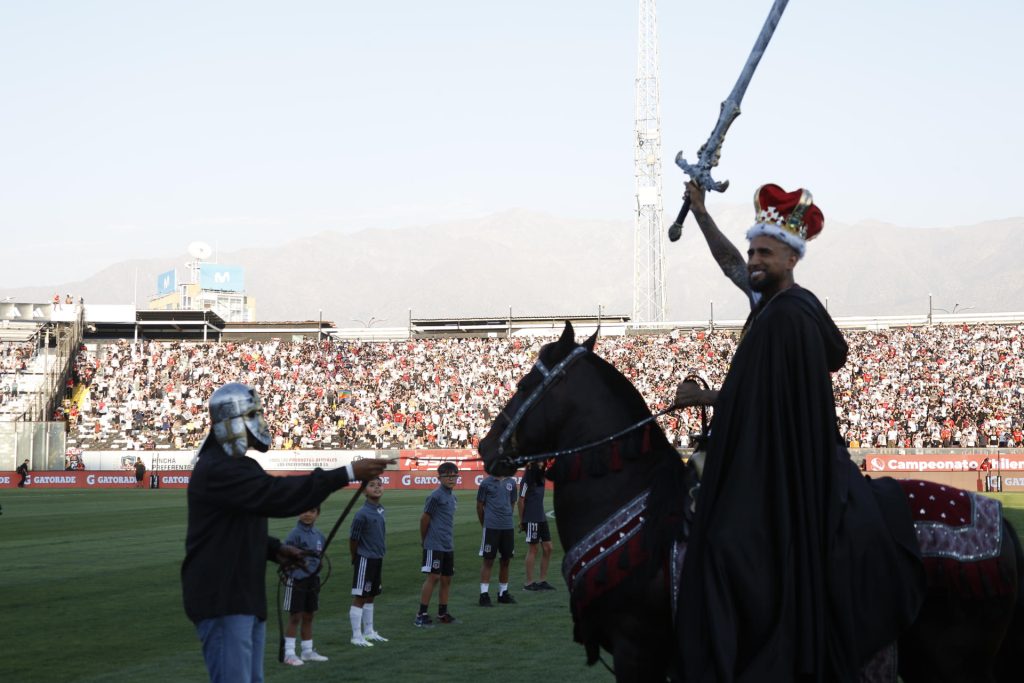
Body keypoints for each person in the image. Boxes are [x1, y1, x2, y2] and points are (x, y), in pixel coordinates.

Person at [672, 183, 925, 681]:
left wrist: (704, 399)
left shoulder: (788, 317)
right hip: (773, 449)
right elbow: (730, 263)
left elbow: (764, 402)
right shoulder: (773, 304)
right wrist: (700, 214)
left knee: (725, 540)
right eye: (753, 251)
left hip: (793, 463)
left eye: (764, 252)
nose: (753, 260)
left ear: (791, 256)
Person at [181, 382, 390, 683]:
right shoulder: (221, 468)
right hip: (223, 595)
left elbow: (234, 528)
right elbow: (276, 496)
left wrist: (275, 550)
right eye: (252, 414)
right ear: (232, 421)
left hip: (238, 594)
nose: (259, 422)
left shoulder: (238, 465)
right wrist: (346, 473)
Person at [281, 506, 328, 666]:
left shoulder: (319, 535)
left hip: (312, 581)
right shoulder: (294, 534)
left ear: (318, 514)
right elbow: (283, 556)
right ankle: (289, 653)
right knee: (295, 616)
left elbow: (319, 557)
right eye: (304, 510)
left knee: (309, 615)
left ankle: (307, 651)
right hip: (297, 580)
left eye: (312, 511)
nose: (308, 514)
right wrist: (289, 572)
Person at [415, 462, 459, 627]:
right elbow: (424, 518)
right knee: (433, 577)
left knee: (447, 579)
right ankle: (421, 614)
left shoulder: (452, 497)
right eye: (447, 475)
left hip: (447, 544)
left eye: (454, 475)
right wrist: (424, 539)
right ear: (439, 477)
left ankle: (442, 612)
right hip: (434, 543)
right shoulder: (435, 496)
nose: (451, 478)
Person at [348, 476, 388, 646]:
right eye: (372, 485)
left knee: (371, 596)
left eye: (379, 485)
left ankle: (369, 631)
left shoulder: (380, 509)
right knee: (361, 596)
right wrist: (355, 557)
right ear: (364, 490)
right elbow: (353, 538)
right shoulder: (362, 514)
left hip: (377, 557)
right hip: (365, 558)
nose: (377, 488)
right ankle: (356, 636)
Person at [477, 472, 518, 606]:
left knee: (506, 560)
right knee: (488, 560)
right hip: (491, 527)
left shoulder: (511, 482)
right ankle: (484, 595)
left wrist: (506, 518)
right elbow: (479, 505)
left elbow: (512, 503)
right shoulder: (485, 483)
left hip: (507, 527)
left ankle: (503, 593)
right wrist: (485, 523)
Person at [518, 462, 554, 591]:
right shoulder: (527, 479)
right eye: (539, 462)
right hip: (531, 517)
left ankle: (542, 581)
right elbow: (521, 499)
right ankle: (528, 583)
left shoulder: (541, 477)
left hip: (541, 516)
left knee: (548, 548)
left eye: (542, 462)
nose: (541, 464)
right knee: (533, 549)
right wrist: (522, 520)